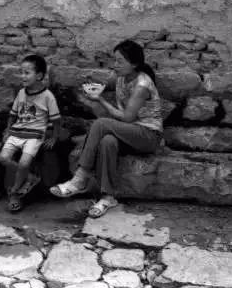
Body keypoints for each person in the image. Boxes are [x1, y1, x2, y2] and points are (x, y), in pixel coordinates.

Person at [50, 40, 163, 218]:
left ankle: (80, 177)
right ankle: (107, 197)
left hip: (148, 136)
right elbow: (103, 84)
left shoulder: (142, 85)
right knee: (107, 142)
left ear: (134, 64)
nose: (114, 65)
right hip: (128, 132)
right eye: (114, 60)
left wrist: (101, 100)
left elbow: (127, 117)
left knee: (101, 123)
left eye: (120, 61)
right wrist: (90, 87)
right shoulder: (120, 76)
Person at [0, 54, 61, 212]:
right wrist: (7, 130)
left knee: (24, 163)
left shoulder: (47, 96)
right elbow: (12, 114)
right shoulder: (21, 92)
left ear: (39, 76)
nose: (23, 76)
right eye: (21, 72)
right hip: (17, 132)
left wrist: (54, 137)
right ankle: (30, 177)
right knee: (3, 158)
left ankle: (14, 192)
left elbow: (56, 119)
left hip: (35, 135)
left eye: (27, 73)